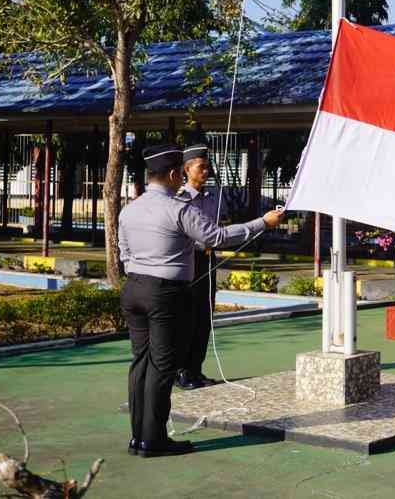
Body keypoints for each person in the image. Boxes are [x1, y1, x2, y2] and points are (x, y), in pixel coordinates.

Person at [119, 144, 285, 457]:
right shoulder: (179, 209)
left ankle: (137, 437)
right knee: (161, 366)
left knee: (139, 363)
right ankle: (153, 440)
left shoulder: (130, 209)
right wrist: (263, 222)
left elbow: (123, 252)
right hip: (163, 293)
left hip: (133, 288)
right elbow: (217, 238)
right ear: (172, 174)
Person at [175, 143, 222, 390]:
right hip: (188, 260)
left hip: (208, 260)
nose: (206, 171)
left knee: (205, 317)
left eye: (207, 166)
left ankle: (196, 369)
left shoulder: (211, 198)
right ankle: (181, 371)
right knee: (188, 318)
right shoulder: (179, 200)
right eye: (201, 167)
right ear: (187, 169)